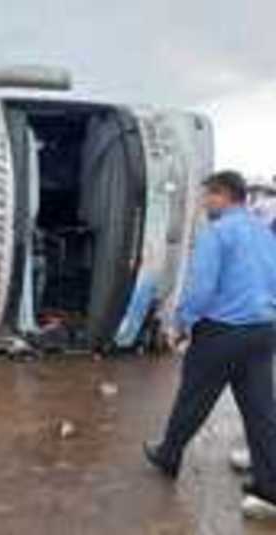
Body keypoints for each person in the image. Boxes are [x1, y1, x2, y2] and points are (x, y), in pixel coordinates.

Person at [143, 170, 276, 519]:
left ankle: (168, 455)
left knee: (193, 396)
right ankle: (269, 489)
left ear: (224, 196)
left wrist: (181, 324)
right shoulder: (264, 232)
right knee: (261, 412)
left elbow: (202, 287)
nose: (204, 204)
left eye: (208, 196)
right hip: (263, 332)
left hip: (222, 332)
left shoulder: (217, 234)